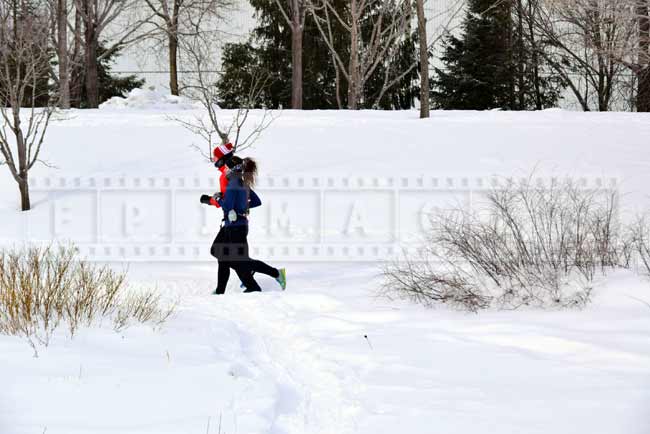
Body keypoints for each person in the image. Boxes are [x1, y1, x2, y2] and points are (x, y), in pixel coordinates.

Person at [200, 155, 286, 294]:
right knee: (218, 251)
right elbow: (256, 201)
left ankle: (273, 274)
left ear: (230, 168)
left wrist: (218, 198)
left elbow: (227, 206)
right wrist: (242, 208)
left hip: (235, 227)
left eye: (226, 167)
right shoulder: (241, 181)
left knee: (238, 261)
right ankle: (221, 290)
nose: (225, 170)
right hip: (235, 225)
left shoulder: (233, 183)